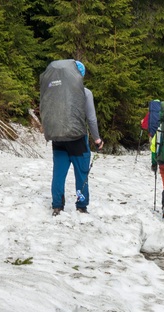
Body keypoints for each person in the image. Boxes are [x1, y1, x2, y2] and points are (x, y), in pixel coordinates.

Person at [41, 60, 104, 216]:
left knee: (58, 174)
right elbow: (91, 119)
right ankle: (81, 205)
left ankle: (57, 206)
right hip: (77, 140)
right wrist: (97, 139)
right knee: (81, 174)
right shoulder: (85, 92)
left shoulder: (52, 92)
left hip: (58, 138)